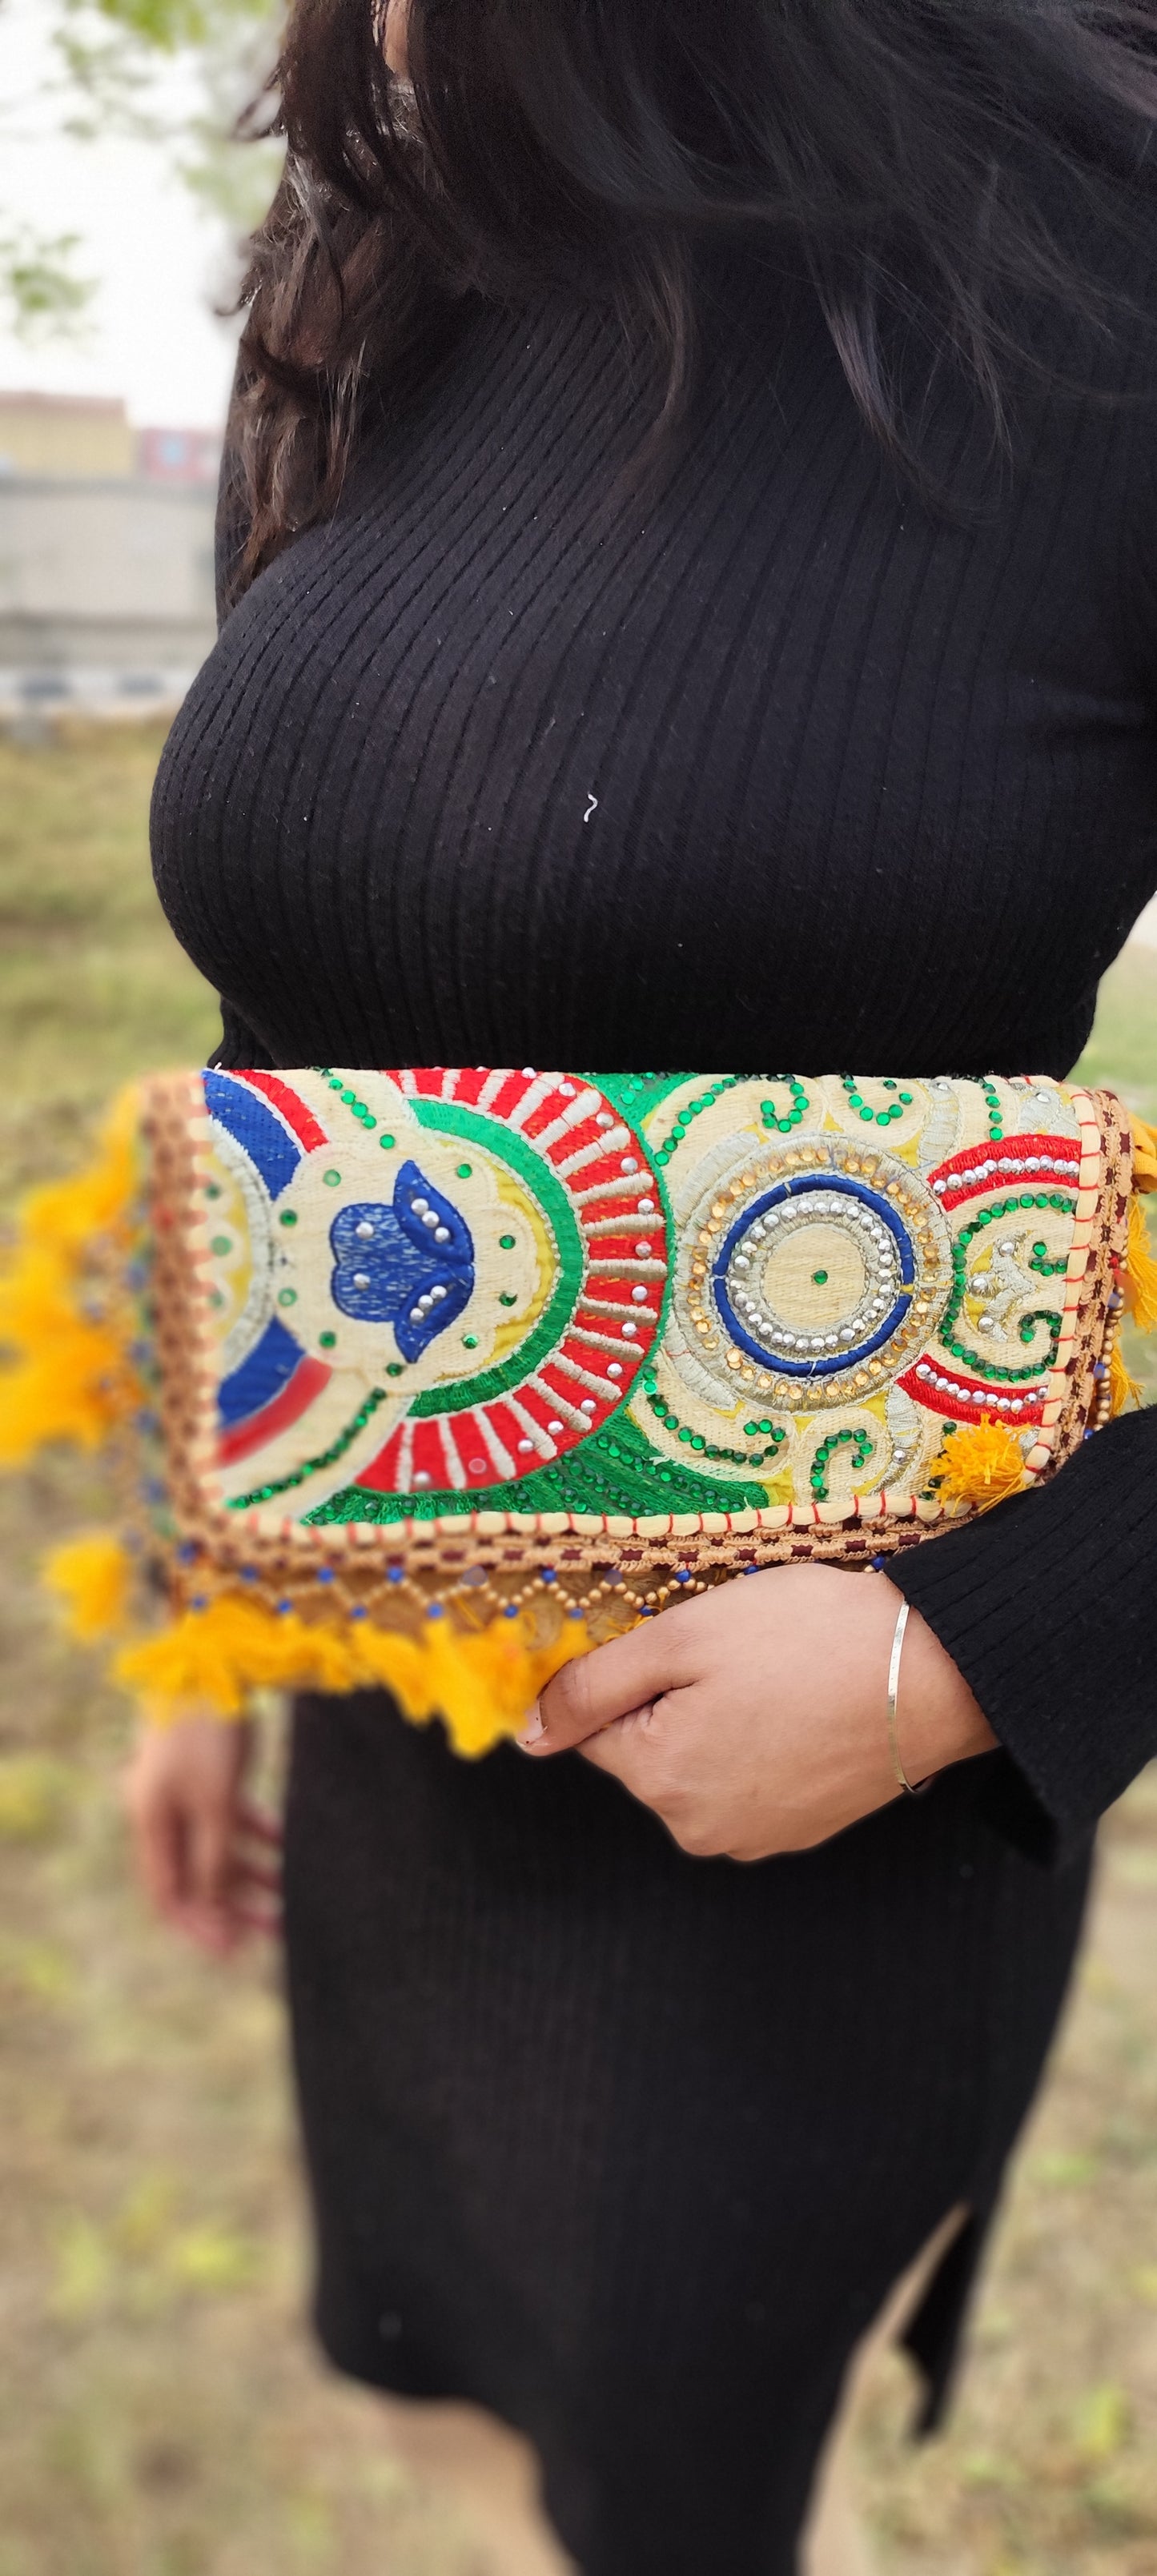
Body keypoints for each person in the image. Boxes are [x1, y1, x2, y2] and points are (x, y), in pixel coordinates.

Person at [131, 2, 1157, 2567]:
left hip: (826, 1798)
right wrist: (202, 1585)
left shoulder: (1104, 251)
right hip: (402, 1706)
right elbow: (289, 1002)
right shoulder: (376, 240)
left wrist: (981, 1651)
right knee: (463, 2380)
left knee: (673, 2483)